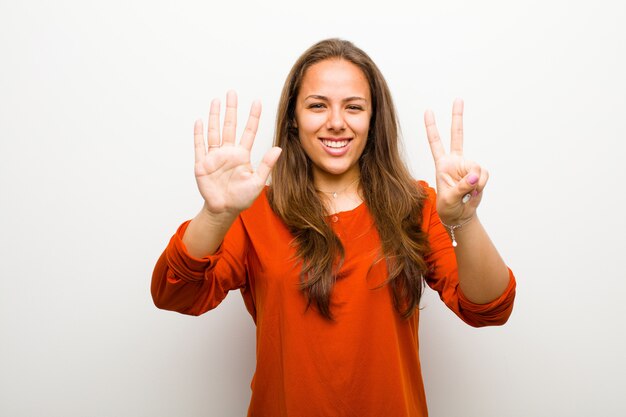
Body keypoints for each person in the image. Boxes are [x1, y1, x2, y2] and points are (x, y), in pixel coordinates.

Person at [151, 38, 516, 417]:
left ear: (373, 120)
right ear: (293, 117)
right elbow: (175, 294)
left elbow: (489, 307)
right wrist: (215, 214)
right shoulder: (251, 210)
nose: (336, 122)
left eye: (354, 107)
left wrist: (465, 219)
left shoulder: (417, 205)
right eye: (317, 105)